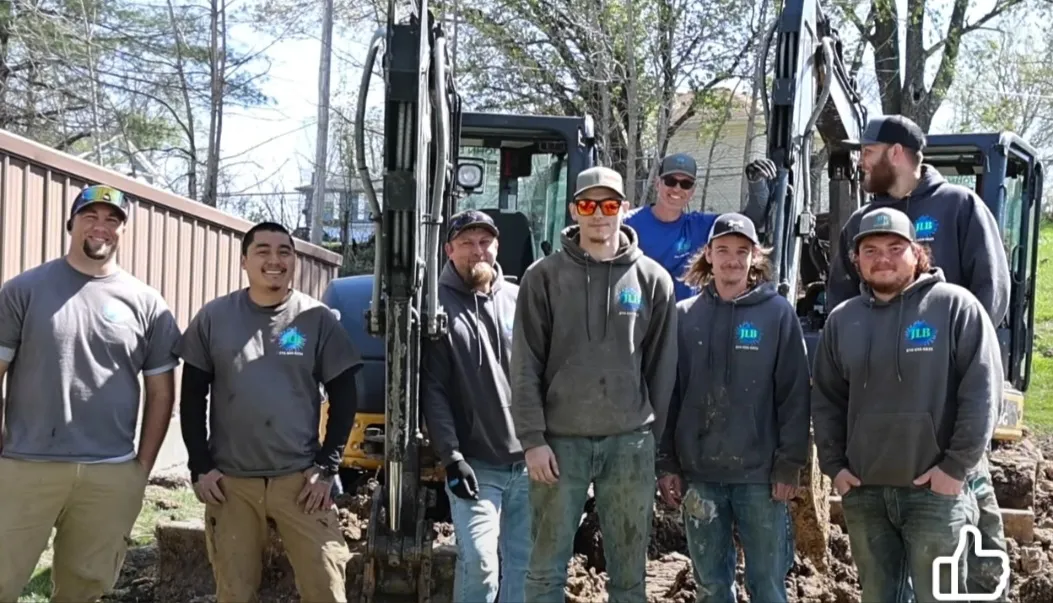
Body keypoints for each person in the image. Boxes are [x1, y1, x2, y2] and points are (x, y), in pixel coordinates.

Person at [828, 114, 1011, 597]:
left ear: (895, 153)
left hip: (950, 423)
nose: (861, 163)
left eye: (867, 153)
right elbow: (842, 316)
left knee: (971, 552)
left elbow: (989, 298)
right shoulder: (860, 223)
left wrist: (943, 380)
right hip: (879, 445)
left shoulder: (960, 207)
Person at [0, 184, 183, 602]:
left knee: (85, 589)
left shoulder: (147, 303)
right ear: (72, 223)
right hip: (25, 466)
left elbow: (161, 393)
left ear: (121, 231)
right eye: (91, 216)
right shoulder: (23, 291)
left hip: (110, 473)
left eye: (113, 220)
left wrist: (140, 469)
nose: (102, 227)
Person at [510, 166, 679, 602]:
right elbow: (525, 363)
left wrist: (650, 441)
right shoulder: (542, 277)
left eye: (608, 205)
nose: (598, 215)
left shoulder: (653, 280)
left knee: (628, 575)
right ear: (574, 210)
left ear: (624, 209)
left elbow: (662, 369)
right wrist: (532, 438)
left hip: (628, 444)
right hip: (559, 444)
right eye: (588, 205)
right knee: (545, 569)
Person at [176, 221, 363, 603]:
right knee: (234, 591)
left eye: (284, 251)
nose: (274, 260)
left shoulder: (317, 318)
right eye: (263, 251)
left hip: (301, 483)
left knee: (327, 587)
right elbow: (192, 397)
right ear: (244, 260)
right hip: (232, 485)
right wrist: (200, 465)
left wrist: (327, 467)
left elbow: (345, 396)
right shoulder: (214, 318)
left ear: (294, 260)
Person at [656, 213, 811, 603]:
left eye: (741, 251)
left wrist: (789, 464)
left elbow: (794, 395)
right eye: (722, 250)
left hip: (760, 478)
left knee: (768, 585)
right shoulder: (684, 317)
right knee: (711, 586)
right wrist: (667, 464)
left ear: (754, 256)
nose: (732, 260)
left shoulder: (777, 315)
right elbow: (670, 396)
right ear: (707, 254)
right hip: (701, 475)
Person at [420, 209, 530, 603]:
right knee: (482, 568)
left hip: (530, 464)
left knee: (524, 570)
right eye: (466, 243)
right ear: (449, 249)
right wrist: (451, 456)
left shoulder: (521, 300)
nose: (477, 251)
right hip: (476, 467)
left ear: (497, 246)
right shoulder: (434, 306)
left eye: (484, 242)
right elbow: (432, 389)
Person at [624, 153, 775, 301]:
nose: (677, 189)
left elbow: (750, 221)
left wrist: (757, 183)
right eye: (670, 181)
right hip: (642, 319)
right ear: (658, 183)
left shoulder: (701, 226)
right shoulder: (629, 222)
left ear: (693, 190)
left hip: (684, 321)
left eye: (686, 184)